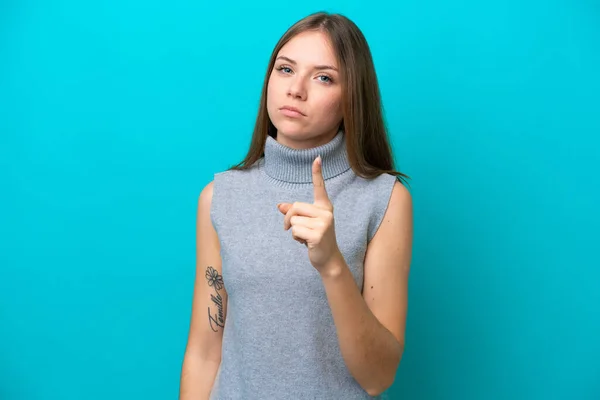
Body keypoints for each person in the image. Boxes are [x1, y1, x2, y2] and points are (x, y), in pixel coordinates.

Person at [179, 11, 413, 400]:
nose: (296, 89)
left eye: (324, 77)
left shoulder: (384, 198)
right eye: (285, 69)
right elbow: (204, 354)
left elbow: (378, 377)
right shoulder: (219, 197)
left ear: (352, 96)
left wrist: (332, 265)